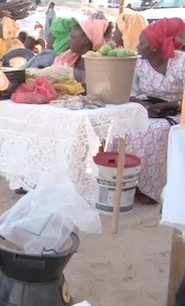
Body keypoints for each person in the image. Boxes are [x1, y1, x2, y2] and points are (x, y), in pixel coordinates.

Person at [119, 18, 185, 204]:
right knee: (125, 125)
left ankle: (153, 188)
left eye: (142, 43)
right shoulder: (139, 64)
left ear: (155, 47)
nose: (138, 47)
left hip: (178, 111)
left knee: (157, 131)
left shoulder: (181, 63)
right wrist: (144, 107)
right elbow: (131, 93)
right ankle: (128, 183)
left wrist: (170, 106)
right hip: (148, 107)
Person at [53, 19, 111, 83]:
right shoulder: (66, 58)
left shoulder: (98, 66)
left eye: (73, 37)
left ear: (85, 40)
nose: (70, 41)